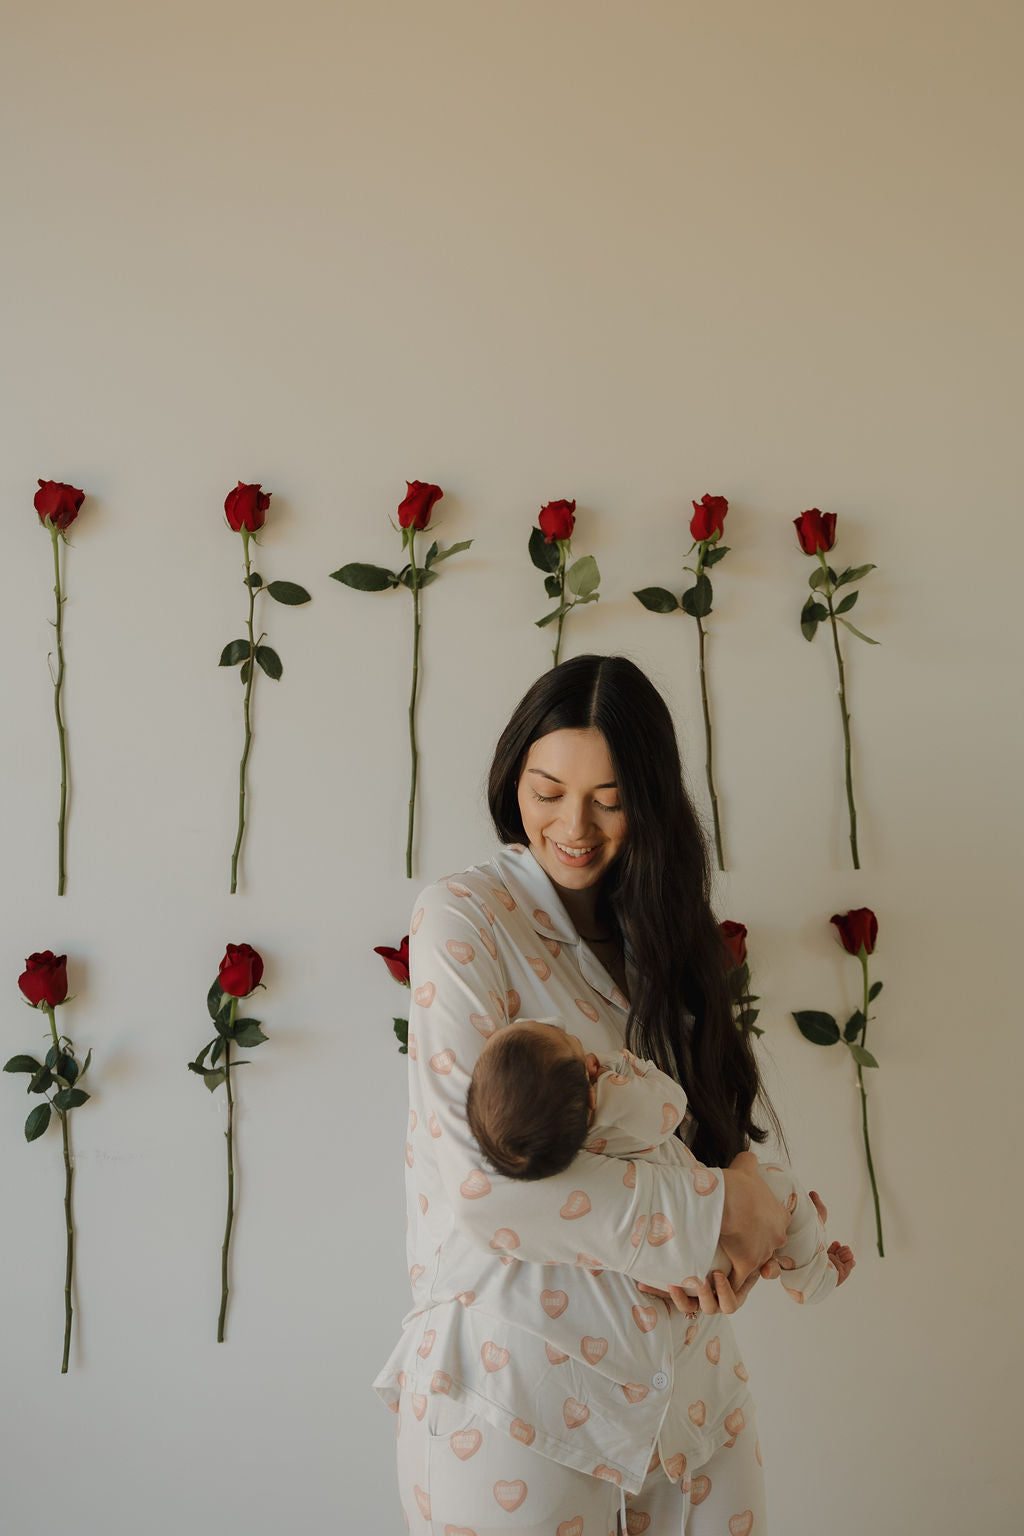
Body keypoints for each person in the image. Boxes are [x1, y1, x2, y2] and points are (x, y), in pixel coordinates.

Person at [374, 655, 837, 1535]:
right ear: (514, 777)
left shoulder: (667, 931)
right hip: (517, 1393)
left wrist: (731, 1235)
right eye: (546, 790)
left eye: (609, 797)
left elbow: (695, 1133)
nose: (573, 826)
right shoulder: (464, 919)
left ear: (652, 798)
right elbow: (486, 1194)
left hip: (691, 1398)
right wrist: (714, 1212)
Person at [466, 1021, 855, 1307]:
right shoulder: (609, 1107)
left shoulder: (561, 1144)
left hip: (672, 1269)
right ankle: (811, 1276)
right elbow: (671, 1107)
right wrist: (626, 1067)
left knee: (756, 1185)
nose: (573, 1034)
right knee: (777, 1182)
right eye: (570, 1041)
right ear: (588, 1076)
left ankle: (800, 1238)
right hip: (703, 1238)